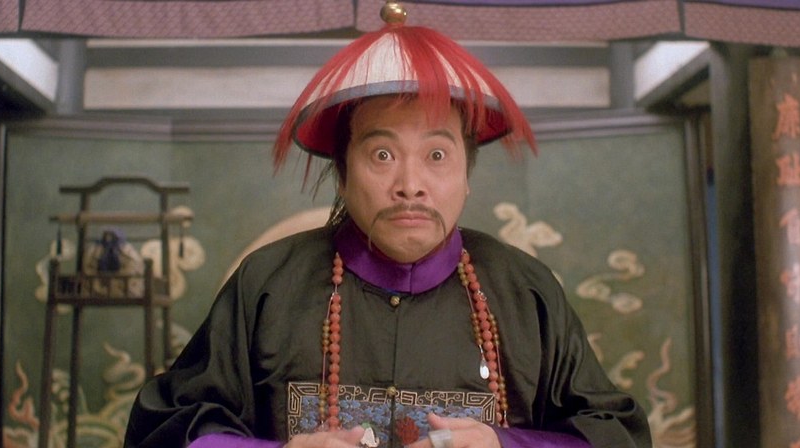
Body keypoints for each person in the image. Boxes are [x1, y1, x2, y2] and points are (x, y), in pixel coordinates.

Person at [124, 2, 652, 447]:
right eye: (381, 154)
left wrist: (505, 444)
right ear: (342, 173)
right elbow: (164, 429)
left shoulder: (526, 292)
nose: (410, 184)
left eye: (437, 155)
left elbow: (614, 434)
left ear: (467, 175)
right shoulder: (266, 285)